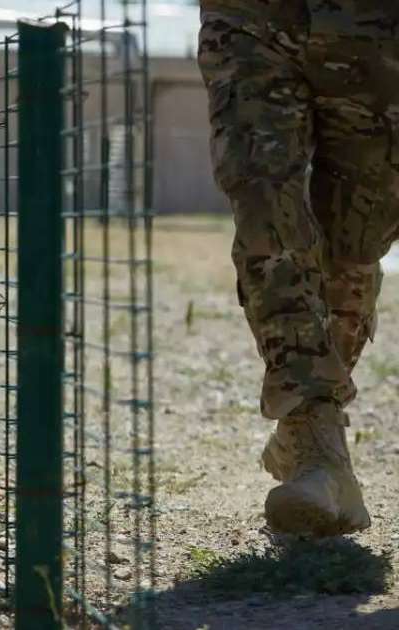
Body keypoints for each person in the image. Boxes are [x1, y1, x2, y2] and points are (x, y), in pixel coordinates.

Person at [197, 0, 399, 537]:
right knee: (265, 198)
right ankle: (316, 439)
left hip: (376, 31)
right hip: (251, 18)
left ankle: (309, 438)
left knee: (354, 244)